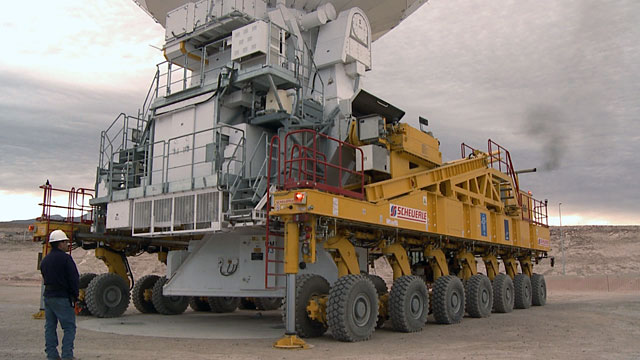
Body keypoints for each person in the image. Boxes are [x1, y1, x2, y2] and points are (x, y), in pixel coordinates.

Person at [40, 230, 79, 360]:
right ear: (59, 244)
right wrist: (75, 296)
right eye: (65, 242)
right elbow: (74, 279)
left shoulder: (45, 260)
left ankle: (52, 355)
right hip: (62, 297)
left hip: (48, 297)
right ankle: (67, 355)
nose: (67, 244)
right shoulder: (66, 259)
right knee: (69, 327)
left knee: (50, 327)